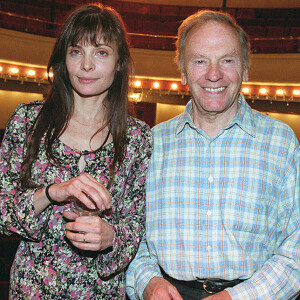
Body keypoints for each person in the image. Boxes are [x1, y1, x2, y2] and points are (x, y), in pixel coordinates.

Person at [126, 9, 300, 300]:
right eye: (199, 61)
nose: (214, 74)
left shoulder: (281, 142)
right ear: (182, 70)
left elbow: (296, 245)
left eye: (227, 60)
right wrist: (148, 282)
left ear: (245, 69)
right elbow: (131, 234)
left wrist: (238, 297)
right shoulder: (151, 143)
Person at [0, 3, 152, 299]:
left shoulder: (138, 138)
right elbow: (3, 212)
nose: (86, 65)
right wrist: (52, 192)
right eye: (76, 51)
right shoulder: (27, 121)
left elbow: (138, 226)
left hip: (103, 292)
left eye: (101, 52)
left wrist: (112, 237)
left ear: (119, 63)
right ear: (63, 59)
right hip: (34, 290)